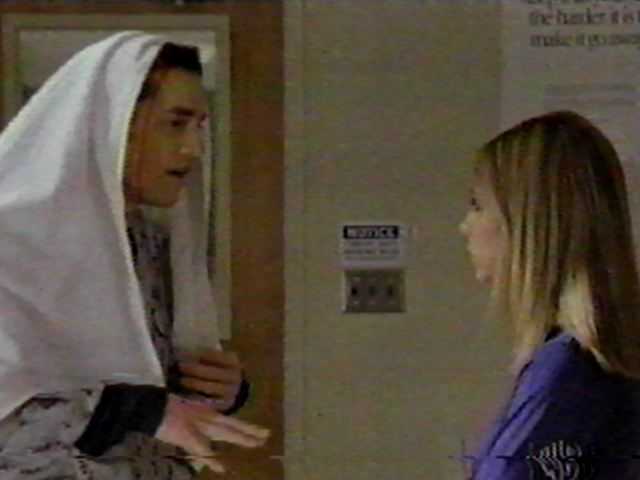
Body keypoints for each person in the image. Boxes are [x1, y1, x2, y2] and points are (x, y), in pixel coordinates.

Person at [0, 32, 269, 479]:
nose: (193, 149)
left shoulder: (147, 244)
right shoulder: (12, 239)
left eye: (199, 127)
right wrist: (137, 410)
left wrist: (216, 389)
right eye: (175, 124)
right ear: (113, 122)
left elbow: (151, 382)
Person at [459, 111, 640, 479]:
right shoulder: (588, 363)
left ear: (529, 222)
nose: (465, 226)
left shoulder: (568, 372)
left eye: (477, 205)